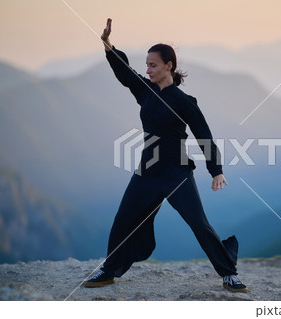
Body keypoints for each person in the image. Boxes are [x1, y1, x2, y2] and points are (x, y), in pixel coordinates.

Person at [83, 18, 248, 293]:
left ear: (168, 66)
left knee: (199, 224)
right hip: (147, 171)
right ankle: (108, 269)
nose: (147, 70)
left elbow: (203, 134)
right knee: (123, 220)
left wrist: (216, 170)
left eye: (153, 65)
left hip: (177, 172)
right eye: (146, 64)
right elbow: (125, 72)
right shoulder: (145, 92)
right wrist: (108, 45)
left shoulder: (184, 102)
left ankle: (229, 273)